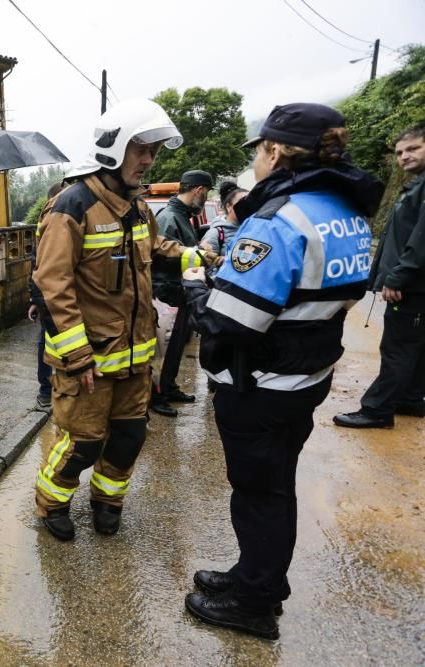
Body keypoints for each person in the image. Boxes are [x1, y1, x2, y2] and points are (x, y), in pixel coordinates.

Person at [182, 103, 383, 640]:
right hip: (307, 376)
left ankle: (255, 602)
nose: (256, 163)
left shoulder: (279, 219)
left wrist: (198, 287)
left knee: (259, 493)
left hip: (262, 384)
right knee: (274, 484)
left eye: (258, 152)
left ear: (274, 152)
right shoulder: (346, 212)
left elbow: (232, 322)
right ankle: (255, 576)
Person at [31, 99, 218, 541]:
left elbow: (155, 247)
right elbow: (51, 283)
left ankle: (107, 501)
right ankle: (51, 503)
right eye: (140, 148)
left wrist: (193, 253)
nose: (148, 159)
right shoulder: (71, 207)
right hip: (89, 364)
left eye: (153, 149)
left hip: (134, 360)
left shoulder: (137, 207)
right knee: (81, 444)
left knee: (129, 438)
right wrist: (77, 356)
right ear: (113, 149)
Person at [334, 123, 425, 428]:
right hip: (414, 284)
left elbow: (421, 240)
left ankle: (377, 409)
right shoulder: (417, 185)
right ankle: (410, 399)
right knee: (414, 345)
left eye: (413, 148)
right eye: (400, 152)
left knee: (398, 347)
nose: (404, 156)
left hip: (412, 286)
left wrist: (398, 277)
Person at [150, 169, 215, 415]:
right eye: (206, 193)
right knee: (161, 350)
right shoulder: (169, 217)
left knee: (175, 346)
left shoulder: (182, 216)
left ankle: (169, 387)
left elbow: (184, 250)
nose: (205, 198)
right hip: (167, 293)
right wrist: (199, 255)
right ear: (198, 190)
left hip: (180, 291)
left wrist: (196, 249)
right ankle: (156, 398)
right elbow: (162, 255)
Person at [29, 181, 67, 410]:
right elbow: (36, 267)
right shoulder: (46, 224)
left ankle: (59, 389)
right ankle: (45, 390)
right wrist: (35, 299)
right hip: (48, 298)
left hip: (62, 296)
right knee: (46, 343)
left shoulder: (65, 222)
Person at [200, 181, 250, 257]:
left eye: (250, 202)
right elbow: (207, 263)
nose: (247, 206)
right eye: (242, 202)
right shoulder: (215, 234)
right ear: (228, 206)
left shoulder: (255, 229)